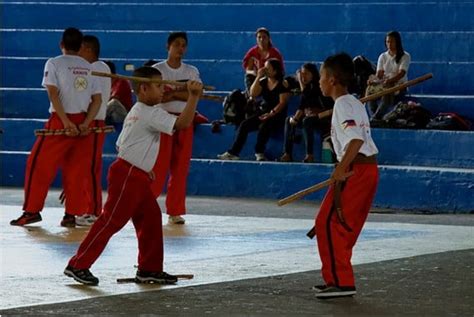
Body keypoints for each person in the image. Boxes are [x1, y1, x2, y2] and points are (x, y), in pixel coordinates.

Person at [64, 66, 203, 285]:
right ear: (144, 89)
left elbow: (123, 144)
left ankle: (149, 268)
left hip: (133, 174)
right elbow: (183, 124)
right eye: (158, 86)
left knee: (150, 218)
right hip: (128, 175)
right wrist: (193, 97)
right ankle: (78, 264)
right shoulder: (150, 112)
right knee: (111, 221)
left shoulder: (137, 110)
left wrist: (143, 166)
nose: (163, 90)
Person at [10, 27, 102, 227]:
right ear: (80, 47)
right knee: (77, 170)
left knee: (38, 165)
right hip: (83, 125)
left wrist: (66, 122)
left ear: (62, 45)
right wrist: (85, 124)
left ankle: (32, 211)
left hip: (60, 121)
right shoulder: (88, 66)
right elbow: (97, 100)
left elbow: (53, 93)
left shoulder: (53, 63)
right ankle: (71, 214)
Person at [314, 52, 379, 299]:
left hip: (355, 169)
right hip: (366, 169)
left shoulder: (343, 104)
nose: (319, 81)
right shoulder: (354, 102)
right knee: (337, 224)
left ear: (331, 79)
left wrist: (340, 169)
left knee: (328, 223)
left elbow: (354, 139)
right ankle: (336, 277)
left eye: (321, 76)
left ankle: (341, 281)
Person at [151, 31, 202, 225]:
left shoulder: (191, 71)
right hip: (162, 121)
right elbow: (158, 97)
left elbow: (196, 94)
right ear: (168, 46)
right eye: (177, 44)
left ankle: (175, 211)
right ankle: (148, 204)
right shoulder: (158, 70)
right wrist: (182, 93)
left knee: (180, 167)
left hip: (184, 120)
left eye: (183, 45)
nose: (180, 48)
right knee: (159, 165)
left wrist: (172, 95)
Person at [218, 58, 290, 161]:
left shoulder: (283, 84)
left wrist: (271, 114)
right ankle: (234, 152)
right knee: (244, 125)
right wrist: (258, 77)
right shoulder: (264, 81)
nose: (265, 69)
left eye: (268, 68)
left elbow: (282, 103)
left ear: (275, 71)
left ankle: (259, 152)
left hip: (276, 114)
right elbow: (253, 93)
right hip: (263, 111)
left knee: (265, 124)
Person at [74, 34, 112, 226]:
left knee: (90, 168)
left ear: (88, 50)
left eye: (79, 49)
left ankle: (94, 211)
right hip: (90, 122)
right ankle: (85, 207)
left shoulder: (97, 68)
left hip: (94, 122)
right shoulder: (96, 68)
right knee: (84, 167)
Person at [279, 63, 333, 163]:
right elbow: (301, 106)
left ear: (313, 74)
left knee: (307, 121)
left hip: (324, 117)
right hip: (310, 117)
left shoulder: (320, 86)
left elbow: (329, 106)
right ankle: (287, 153)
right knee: (288, 120)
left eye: (306, 74)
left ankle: (310, 155)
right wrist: (294, 119)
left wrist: (300, 81)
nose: (303, 76)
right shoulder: (307, 88)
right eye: (302, 74)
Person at [367, 31, 411, 119]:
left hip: (399, 85)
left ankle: (375, 118)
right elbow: (379, 74)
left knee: (388, 90)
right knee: (370, 90)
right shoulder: (383, 56)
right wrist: (373, 81)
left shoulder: (405, 56)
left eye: (392, 42)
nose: (389, 44)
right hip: (384, 84)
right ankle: (375, 116)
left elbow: (401, 73)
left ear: (397, 42)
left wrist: (390, 81)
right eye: (388, 42)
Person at [242, 27, 284, 92]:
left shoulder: (275, 53)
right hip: (257, 77)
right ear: (256, 39)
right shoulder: (252, 52)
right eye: (259, 37)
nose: (261, 39)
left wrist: (268, 72)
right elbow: (248, 70)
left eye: (264, 37)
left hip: (270, 78)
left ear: (268, 38)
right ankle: (250, 96)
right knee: (248, 77)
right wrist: (256, 73)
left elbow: (280, 71)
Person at [104, 60, 133, 125]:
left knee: (114, 103)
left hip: (124, 114)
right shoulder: (107, 83)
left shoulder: (121, 81)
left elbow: (113, 98)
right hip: (113, 114)